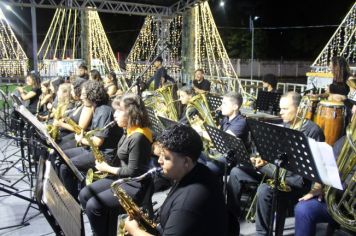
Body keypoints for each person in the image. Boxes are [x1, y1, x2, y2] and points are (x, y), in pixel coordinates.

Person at [227, 91, 325, 236]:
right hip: (278, 172)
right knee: (236, 172)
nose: (281, 112)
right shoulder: (284, 125)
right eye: (280, 108)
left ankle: (262, 233)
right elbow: (276, 155)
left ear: (298, 109)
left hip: (295, 180)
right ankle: (231, 219)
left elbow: (318, 166)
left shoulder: (312, 130)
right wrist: (263, 159)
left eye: (285, 109)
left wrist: (317, 187)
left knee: (265, 190)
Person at [125, 124, 228, 236]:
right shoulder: (198, 170)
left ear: (186, 162)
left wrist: (135, 231)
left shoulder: (188, 201)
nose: (159, 161)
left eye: (166, 158)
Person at [79, 94, 153, 236]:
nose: (114, 115)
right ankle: (105, 229)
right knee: (84, 194)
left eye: (119, 111)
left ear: (131, 113)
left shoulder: (138, 136)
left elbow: (133, 171)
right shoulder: (128, 130)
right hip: (122, 179)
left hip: (135, 185)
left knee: (94, 205)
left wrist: (107, 168)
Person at [293, 81, 356, 236]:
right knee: (303, 208)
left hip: (350, 203)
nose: (353, 109)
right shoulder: (344, 141)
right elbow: (329, 169)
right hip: (341, 201)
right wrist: (319, 187)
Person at [59, 80, 122, 198]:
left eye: (83, 94)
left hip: (104, 155)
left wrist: (81, 139)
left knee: (65, 167)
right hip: (93, 150)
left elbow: (98, 141)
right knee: (60, 155)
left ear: (91, 95)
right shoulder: (98, 108)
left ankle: (72, 201)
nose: (81, 97)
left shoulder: (104, 111)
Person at [206, 92, 249, 175]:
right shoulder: (225, 119)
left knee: (206, 168)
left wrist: (201, 132)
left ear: (235, 107)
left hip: (233, 160)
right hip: (221, 153)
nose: (221, 107)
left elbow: (222, 138)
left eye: (224, 104)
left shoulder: (241, 122)